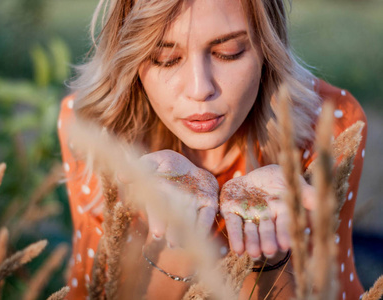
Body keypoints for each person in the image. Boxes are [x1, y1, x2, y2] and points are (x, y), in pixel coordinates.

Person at [58, 0, 367, 299]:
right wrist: (172, 235)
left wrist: (269, 258)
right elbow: (94, 293)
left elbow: (331, 290)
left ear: (267, 46)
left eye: (227, 52)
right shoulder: (95, 130)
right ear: (131, 57)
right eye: (165, 57)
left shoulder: (332, 126)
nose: (200, 88)